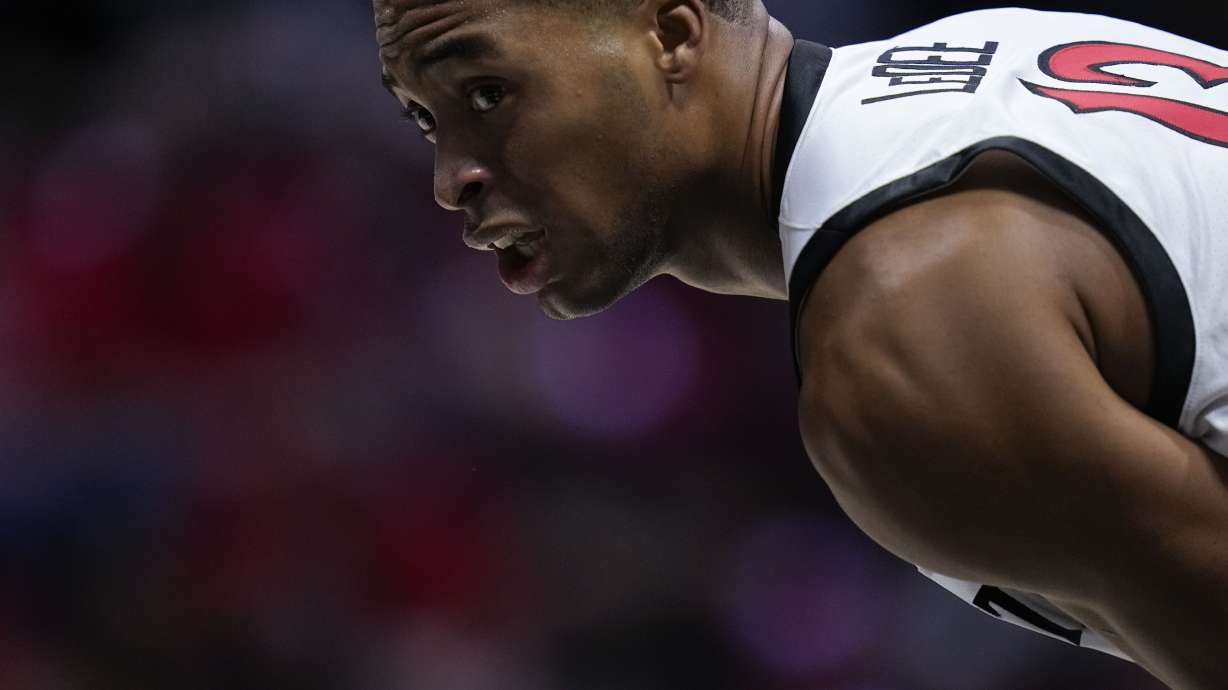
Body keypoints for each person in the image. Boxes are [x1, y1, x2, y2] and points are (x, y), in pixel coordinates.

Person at [372, 1, 1228, 687]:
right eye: (424, 119)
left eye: (488, 93)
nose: (452, 180)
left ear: (670, 34)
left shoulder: (901, 336)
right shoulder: (989, 47)